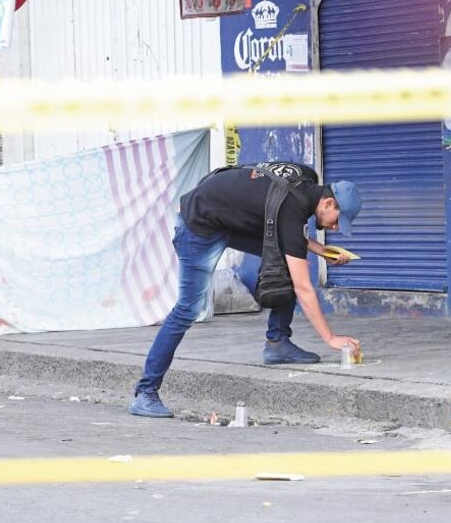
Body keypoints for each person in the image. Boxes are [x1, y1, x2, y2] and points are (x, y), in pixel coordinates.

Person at [130, 161, 362, 418]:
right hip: (199, 224)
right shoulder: (294, 205)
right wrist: (330, 338)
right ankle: (145, 392)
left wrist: (322, 250)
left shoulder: (304, 179)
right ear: (328, 203)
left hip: (228, 220)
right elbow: (303, 287)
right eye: (337, 221)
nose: (335, 228)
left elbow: (287, 230)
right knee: (188, 309)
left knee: (285, 260)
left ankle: (277, 343)